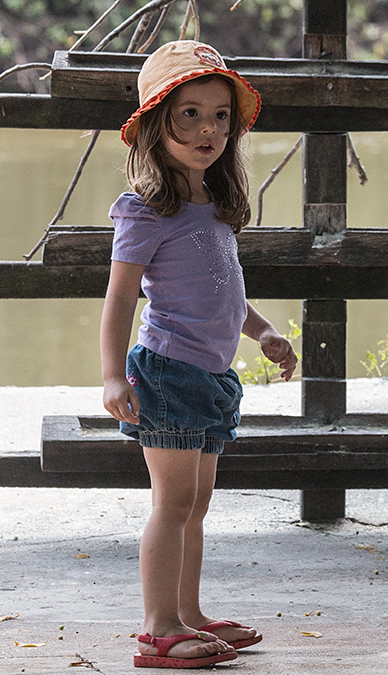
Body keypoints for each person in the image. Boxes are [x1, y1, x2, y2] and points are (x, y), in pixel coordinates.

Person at [100, 40, 298, 669]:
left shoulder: (213, 207)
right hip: (167, 374)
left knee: (198, 503)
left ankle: (189, 613)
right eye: (189, 113)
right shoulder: (145, 211)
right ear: (157, 126)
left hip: (212, 378)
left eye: (219, 116)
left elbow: (223, 295)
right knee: (173, 503)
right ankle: (158, 628)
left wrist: (263, 331)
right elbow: (120, 301)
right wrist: (111, 375)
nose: (207, 128)